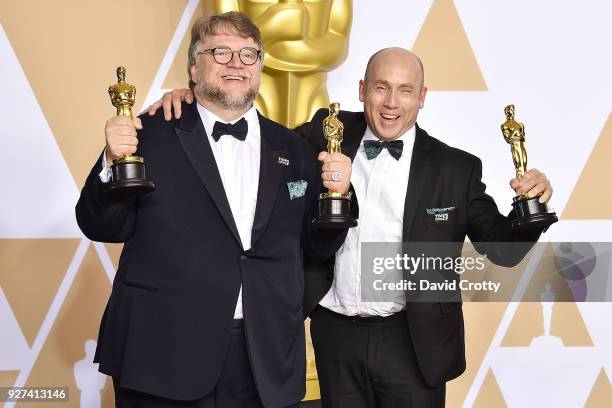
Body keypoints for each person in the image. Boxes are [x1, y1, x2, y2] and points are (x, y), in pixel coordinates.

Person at [149, 47, 553, 407]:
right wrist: (195, 99)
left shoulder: (455, 168)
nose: (392, 103)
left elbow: (500, 249)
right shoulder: (325, 129)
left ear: (422, 97)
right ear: (362, 90)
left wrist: (531, 207)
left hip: (413, 338)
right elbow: (256, 139)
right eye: (381, 87)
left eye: (405, 90)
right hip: (334, 331)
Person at [76, 11, 353, 408]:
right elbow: (101, 224)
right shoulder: (148, 134)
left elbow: (317, 246)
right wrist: (110, 160)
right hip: (164, 354)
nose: (236, 64)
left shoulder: (294, 149)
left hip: (265, 359)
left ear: (260, 65)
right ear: (193, 67)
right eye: (220, 52)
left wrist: (340, 194)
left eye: (248, 54)